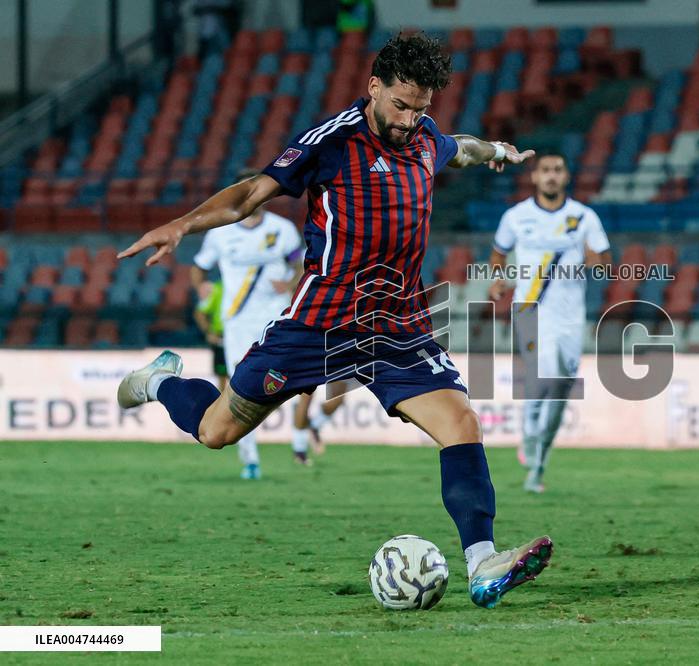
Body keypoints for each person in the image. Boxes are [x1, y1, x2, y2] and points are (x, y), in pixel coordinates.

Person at [115, 32, 552, 608]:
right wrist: (182, 225)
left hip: (396, 325)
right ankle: (158, 382)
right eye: (401, 105)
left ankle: (481, 563)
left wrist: (494, 149)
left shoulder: (425, 137)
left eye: (421, 108)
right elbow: (250, 194)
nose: (409, 120)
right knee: (217, 431)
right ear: (373, 87)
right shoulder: (333, 141)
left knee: (461, 423)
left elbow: (460, 148)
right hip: (318, 324)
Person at [487, 152, 611, 493]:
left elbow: (604, 261)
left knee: (561, 387)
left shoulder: (584, 217)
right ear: (535, 177)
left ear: (566, 176)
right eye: (545, 170)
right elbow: (498, 253)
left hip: (570, 316)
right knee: (544, 374)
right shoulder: (516, 216)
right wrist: (497, 279)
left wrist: (595, 261)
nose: (551, 176)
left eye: (557, 170)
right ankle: (530, 435)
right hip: (530, 309)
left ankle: (538, 463)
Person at [189, 168, 307, 478]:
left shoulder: (282, 229)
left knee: (295, 380)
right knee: (238, 387)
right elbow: (198, 267)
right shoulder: (220, 233)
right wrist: (201, 287)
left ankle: (301, 442)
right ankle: (250, 458)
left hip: (277, 318)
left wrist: (291, 283)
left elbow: (300, 263)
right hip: (237, 321)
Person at [193, 280, 228, 391]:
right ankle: (222, 397)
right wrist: (209, 332)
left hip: (245, 337)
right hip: (222, 336)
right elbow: (200, 312)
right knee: (222, 373)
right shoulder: (218, 289)